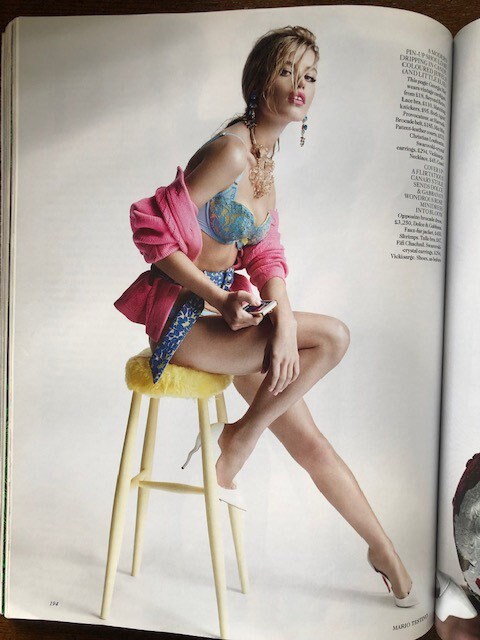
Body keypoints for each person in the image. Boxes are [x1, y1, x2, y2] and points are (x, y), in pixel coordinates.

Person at [114, 25, 418, 608]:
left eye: (310, 76)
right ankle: (237, 441)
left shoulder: (265, 157)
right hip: (183, 324)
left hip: (230, 320)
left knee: (310, 440)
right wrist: (221, 296)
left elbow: (264, 254)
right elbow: (149, 227)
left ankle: (384, 552)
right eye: (286, 71)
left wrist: (280, 324)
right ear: (260, 81)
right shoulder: (232, 151)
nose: (300, 85)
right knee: (333, 339)